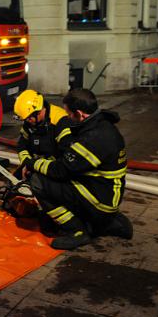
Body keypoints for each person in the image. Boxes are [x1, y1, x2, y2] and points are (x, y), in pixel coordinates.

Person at [16, 88, 132, 250]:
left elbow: (61, 170)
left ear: (79, 114)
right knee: (53, 180)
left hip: (99, 199)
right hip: (105, 192)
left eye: (69, 114)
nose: (68, 118)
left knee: (39, 182)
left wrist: (32, 164)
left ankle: (77, 230)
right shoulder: (102, 126)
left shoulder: (93, 139)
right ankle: (106, 222)